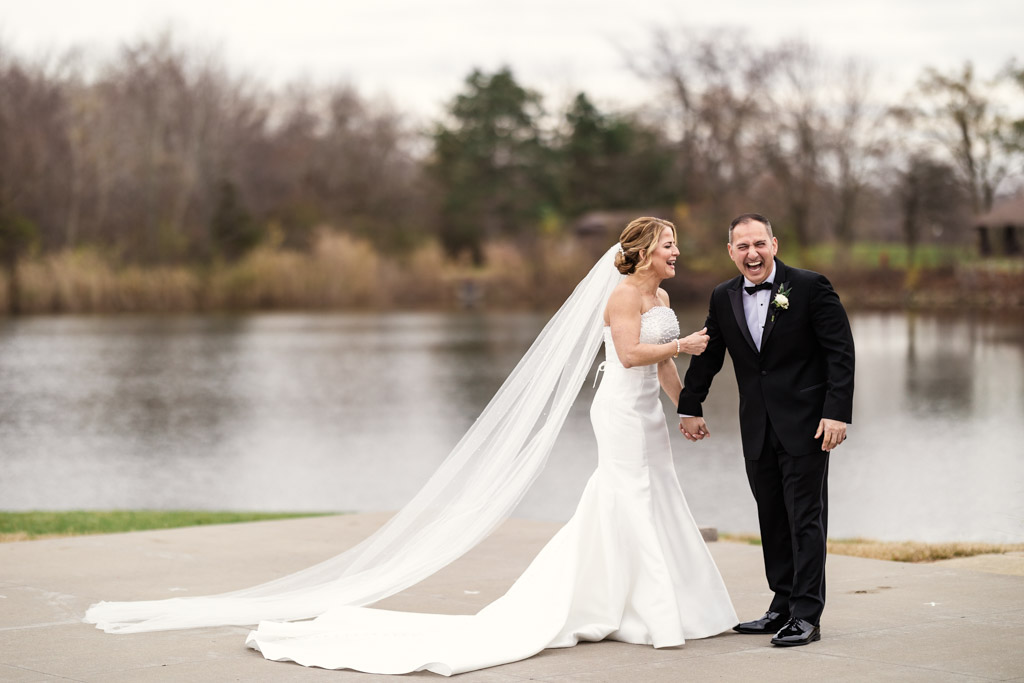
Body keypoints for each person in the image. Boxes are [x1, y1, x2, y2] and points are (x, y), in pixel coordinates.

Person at [86, 217, 737, 674]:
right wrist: (682, 345)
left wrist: (689, 405)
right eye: (670, 245)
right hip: (618, 417)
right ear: (644, 249)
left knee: (655, 497)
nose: (678, 253)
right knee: (625, 496)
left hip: (649, 418)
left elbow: (659, 370)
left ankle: (653, 602)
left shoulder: (660, 295)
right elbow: (628, 355)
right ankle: (647, 611)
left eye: (676, 245)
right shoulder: (624, 295)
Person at [677, 213, 855, 647]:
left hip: (808, 425)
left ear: (774, 244)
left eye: (759, 244)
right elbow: (710, 354)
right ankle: (781, 606)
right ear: (731, 251)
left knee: (805, 519)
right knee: (772, 517)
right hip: (756, 425)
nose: (752, 254)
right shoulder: (723, 296)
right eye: (742, 246)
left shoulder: (811, 287)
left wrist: (837, 413)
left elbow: (840, 353)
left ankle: (807, 616)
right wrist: (689, 404)